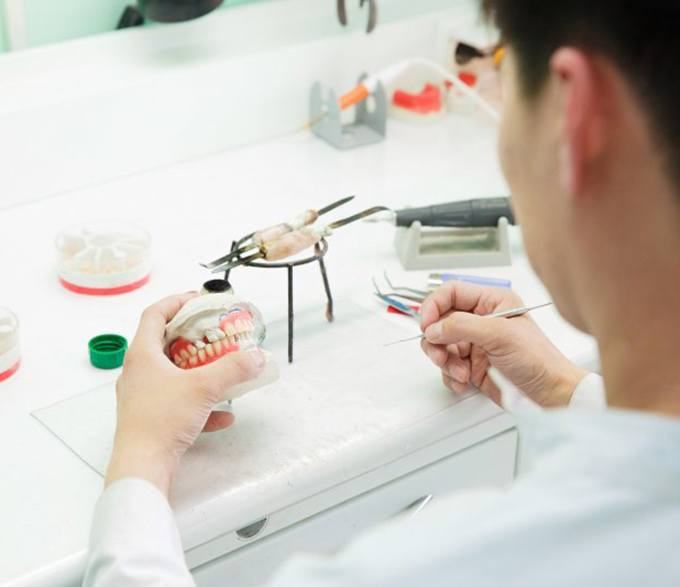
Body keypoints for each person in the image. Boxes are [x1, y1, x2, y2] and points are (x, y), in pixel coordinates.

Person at [83, 0, 680, 585]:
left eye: (500, 69)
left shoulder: (444, 565)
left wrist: (139, 456)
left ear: (573, 119)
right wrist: (562, 387)